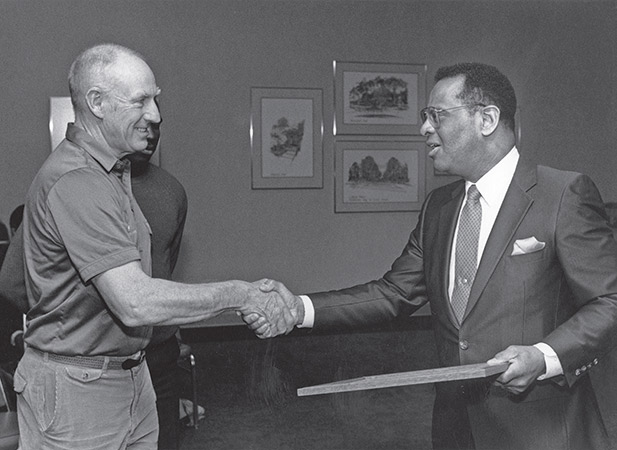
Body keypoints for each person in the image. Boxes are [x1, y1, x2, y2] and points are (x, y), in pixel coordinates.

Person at [247, 63, 617, 450]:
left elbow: (608, 301)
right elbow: (392, 294)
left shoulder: (562, 194)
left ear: (486, 118)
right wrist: (298, 309)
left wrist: (545, 356)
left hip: (543, 431)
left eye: (436, 116)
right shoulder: (439, 207)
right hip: (456, 430)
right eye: (425, 117)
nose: (424, 128)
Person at [13, 43, 296, 450]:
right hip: (79, 392)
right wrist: (242, 295)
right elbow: (135, 302)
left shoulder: (113, 173)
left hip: (130, 377)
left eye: (156, 99)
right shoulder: (76, 181)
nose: (156, 115)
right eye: (141, 101)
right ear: (96, 103)